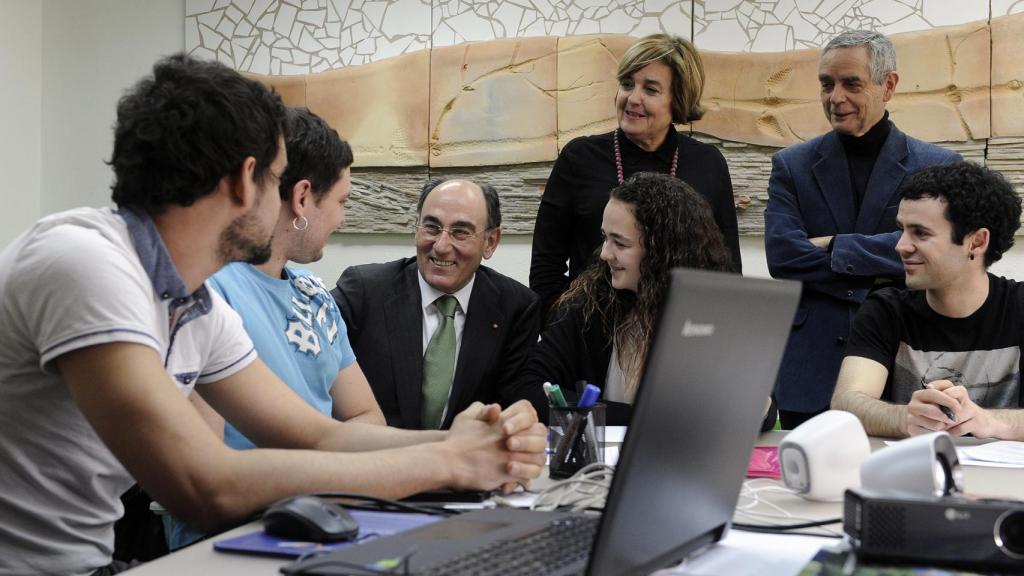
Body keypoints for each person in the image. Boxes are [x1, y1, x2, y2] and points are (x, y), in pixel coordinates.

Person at [0, 54, 544, 576]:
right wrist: (449, 463)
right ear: (244, 181)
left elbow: (317, 435)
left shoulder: (192, 303)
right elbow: (204, 486)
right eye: (278, 181)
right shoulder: (86, 263)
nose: (288, 202)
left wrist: (458, 442)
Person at [165, 108, 386, 549]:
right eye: (342, 202)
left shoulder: (316, 295)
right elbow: (210, 468)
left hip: (327, 514)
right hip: (238, 534)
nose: (342, 219)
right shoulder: (206, 290)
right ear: (302, 198)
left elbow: (363, 419)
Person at [764, 29, 960, 429]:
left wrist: (836, 245)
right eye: (826, 84)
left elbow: (938, 253)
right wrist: (885, 261)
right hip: (811, 369)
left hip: (907, 363)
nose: (835, 98)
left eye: (851, 83)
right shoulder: (791, 165)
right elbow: (782, 255)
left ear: (888, 86)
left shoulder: (938, 165)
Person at [519, 172, 773, 429]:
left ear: (660, 250)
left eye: (620, 243)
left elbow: (760, 415)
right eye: (605, 237)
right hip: (602, 466)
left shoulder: (712, 315)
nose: (605, 254)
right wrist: (643, 420)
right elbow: (528, 390)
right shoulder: (590, 305)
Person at [530, 33, 741, 320]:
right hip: (589, 333)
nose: (632, 98)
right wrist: (561, 336)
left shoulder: (708, 163)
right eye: (627, 84)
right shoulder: (579, 158)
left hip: (676, 332)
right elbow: (546, 266)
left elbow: (727, 270)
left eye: (651, 89)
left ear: (677, 99)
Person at [832, 162, 1024, 440]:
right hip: (910, 477)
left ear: (977, 242)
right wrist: (907, 418)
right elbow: (846, 404)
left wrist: (988, 421)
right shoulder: (885, 309)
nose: (900, 246)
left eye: (920, 233)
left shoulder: (1018, 307)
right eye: (902, 230)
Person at [333, 179, 544, 429]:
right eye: (431, 227)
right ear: (416, 228)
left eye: (461, 232)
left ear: (490, 242)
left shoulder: (517, 308)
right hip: (377, 458)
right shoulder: (364, 292)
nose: (441, 246)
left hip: (464, 462)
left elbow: (510, 410)